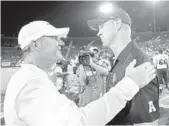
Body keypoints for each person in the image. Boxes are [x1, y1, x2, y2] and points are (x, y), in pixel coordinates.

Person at [4, 21, 156, 126]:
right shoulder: (31, 82)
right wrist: (130, 84)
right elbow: (79, 122)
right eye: (54, 38)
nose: (62, 43)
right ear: (35, 44)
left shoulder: (32, 78)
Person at [88, 8, 159, 125]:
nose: (98, 33)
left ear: (117, 24)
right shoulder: (122, 60)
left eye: (102, 26)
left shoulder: (136, 63)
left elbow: (146, 123)